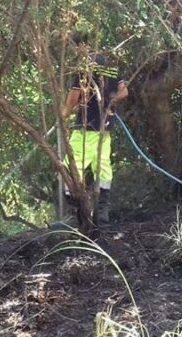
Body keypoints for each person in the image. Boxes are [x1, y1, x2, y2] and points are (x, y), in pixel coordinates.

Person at [62, 32, 128, 225]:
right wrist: (110, 101)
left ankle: (75, 216)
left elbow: (74, 98)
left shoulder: (84, 67)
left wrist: (64, 114)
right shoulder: (110, 65)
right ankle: (102, 215)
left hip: (86, 125)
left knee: (72, 166)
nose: (75, 51)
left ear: (83, 45)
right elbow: (124, 91)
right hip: (105, 126)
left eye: (76, 47)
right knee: (103, 166)